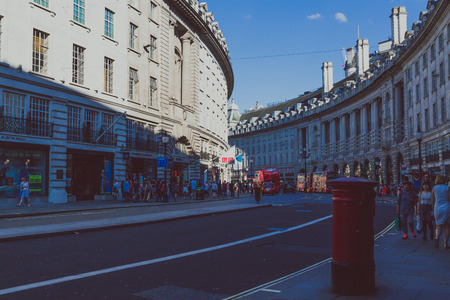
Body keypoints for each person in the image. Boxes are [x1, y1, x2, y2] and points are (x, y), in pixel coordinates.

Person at [431, 175, 450, 249]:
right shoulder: (447, 187)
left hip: (437, 207)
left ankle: (437, 237)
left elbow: (432, 200)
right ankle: (445, 244)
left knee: (438, 225)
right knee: (447, 226)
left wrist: (433, 208)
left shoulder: (434, 188)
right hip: (446, 207)